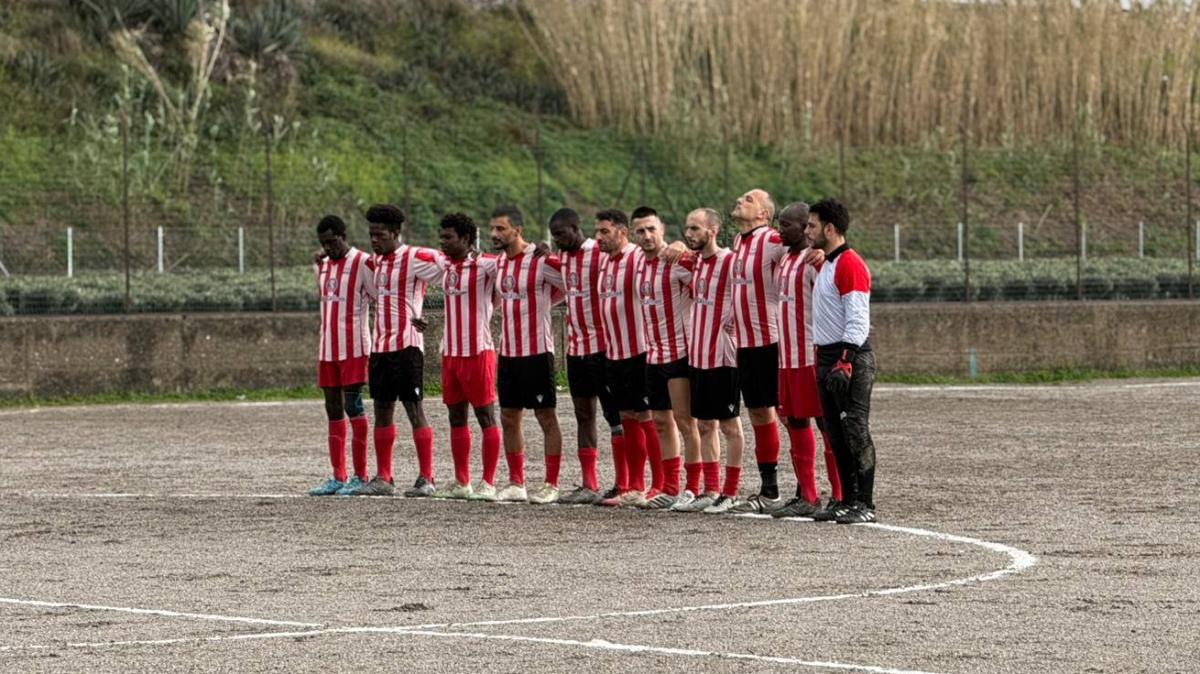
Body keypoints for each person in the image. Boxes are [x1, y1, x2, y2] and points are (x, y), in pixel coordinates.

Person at [350, 205, 445, 497]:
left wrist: (429, 312)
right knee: (382, 409)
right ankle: (384, 478)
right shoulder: (374, 263)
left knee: (414, 409)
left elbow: (450, 270)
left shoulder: (415, 257)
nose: (374, 240)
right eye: (371, 235)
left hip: (407, 345)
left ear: (395, 233)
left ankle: (426, 478)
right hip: (380, 346)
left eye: (379, 235)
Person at [806, 198, 878, 524]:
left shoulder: (850, 264)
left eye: (812, 225)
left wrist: (845, 361)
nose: (808, 231)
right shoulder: (828, 264)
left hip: (849, 356)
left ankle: (865, 504)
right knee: (835, 433)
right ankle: (845, 499)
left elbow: (857, 320)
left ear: (829, 229)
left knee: (855, 430)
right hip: (827, 357)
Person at [548, 208, 626, 505]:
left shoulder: (598, 252)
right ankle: (588, 483)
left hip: (603, 347)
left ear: (576, 228)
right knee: (583, 413)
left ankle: (623, 482)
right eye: (553, 236)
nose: (557, 241)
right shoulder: (562, 258)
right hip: (576, 348)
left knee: (615, 416)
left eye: (561, 234)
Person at [770, 202, 843, 518]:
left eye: (786, 225)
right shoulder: (785, 258)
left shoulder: (816, 261)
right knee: (794, 421)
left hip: (811, 356)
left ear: (804, 228)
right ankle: (808, 496)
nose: (779, 230)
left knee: (826, 424)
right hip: (787, 357)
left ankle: (840, 495)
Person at [670, 208, 745, 514]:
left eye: (696, 228)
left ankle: (730, 492)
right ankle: (710, 489)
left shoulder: (730, 260)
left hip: (723, 355)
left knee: (730, 425)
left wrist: (734, 322)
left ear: (713, 230)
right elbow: (671, 252)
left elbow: (750, 292)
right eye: (687, 228)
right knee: (704, 424)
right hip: (698, 355)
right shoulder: (696, 262)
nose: (689, 234)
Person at [490, 205, 566, 504]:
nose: (495, 234)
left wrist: (546, 301)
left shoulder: (541, 260)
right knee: (509, 417)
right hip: (508, 352)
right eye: (493, 229)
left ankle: (551, 483)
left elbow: (569, 286)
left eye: (500, 229)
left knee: (545, 416)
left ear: (517, 230)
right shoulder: (498, 264)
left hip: (537, 351)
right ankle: (516, 482)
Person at [431, 212, 502, 501]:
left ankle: (488, 482)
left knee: (486, 415)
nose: (443, 242)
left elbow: (513, 274)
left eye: (449, 237)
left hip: (478, 351)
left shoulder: (487, 266)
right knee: (455, 416)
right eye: (442, 237)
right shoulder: (445, 266)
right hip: (451, 353)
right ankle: (462, 481)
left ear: (466, 239)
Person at [632, 207, 699, 510]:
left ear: (662, 228)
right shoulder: (638, 265)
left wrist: (685, 247)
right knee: (660, 421)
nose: (646, 236)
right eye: (640, 231)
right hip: (653, 353)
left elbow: (706, 275)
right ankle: (670, 487)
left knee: (686, 422)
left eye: (651, 229)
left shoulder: (677, 261)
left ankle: (694, 487)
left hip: (679, 353)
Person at [593, 208, 658, 508]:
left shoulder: (636, 257)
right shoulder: (605, 262)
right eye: (597, 232)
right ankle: (635, 485)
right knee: (627, 418)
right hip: (614, 352)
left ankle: (659, 484)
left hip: (639, 351)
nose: (598, 237)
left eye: (604, 231)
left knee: (647, 418)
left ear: (622, 232)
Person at [308, 215, 376, 496]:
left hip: (354, 348)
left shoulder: (362, 262)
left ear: (343, 235)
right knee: (332, 408)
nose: (329, 247)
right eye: (324, 243)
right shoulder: (322, 265)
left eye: (333, 241)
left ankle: (360, 475)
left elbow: (378, 297)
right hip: (328, 349)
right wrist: (318, 261)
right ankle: (338, 475)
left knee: (353, 406)